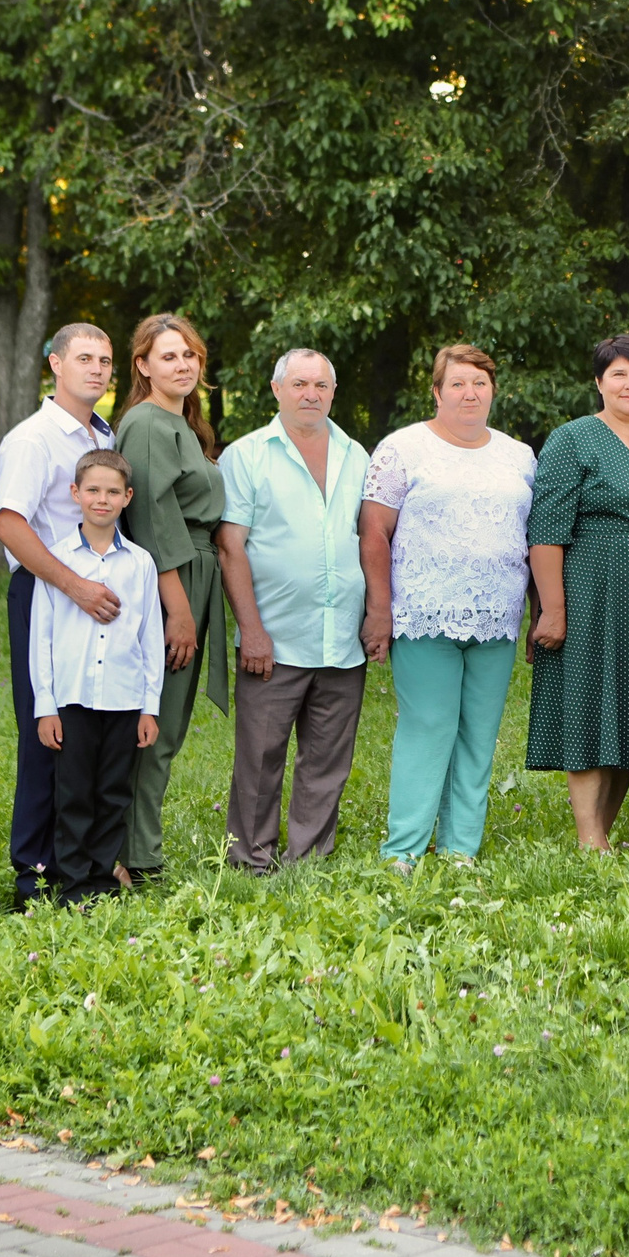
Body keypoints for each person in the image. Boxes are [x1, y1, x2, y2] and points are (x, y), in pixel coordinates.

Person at [361, 344, 536, 866]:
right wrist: (379, 610)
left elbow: (533, 537)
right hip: (423, 613)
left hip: (497, 618)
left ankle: (460, 848)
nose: (469, 393)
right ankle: (404, 852)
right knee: (429, 727)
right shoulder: (401, 449)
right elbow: (374, 534)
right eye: (457, 383)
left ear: (493, 392)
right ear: (436, 392)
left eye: (479, 383)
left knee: (478, 735)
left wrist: (542, 609)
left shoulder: (518, 456)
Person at [526, 336, 629, 849]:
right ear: (599, 383)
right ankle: (589, 839)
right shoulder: (573, 439)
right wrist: (552, 609)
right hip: (594, 587)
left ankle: (604, 834)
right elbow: (546, 530)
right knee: (592, 704)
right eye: (618, 374)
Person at [216, 350, 371, 869]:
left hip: (341, 637)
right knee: (260, 758)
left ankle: (309, 858)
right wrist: (251, 630)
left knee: (328, 759)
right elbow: (230, 546)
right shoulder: (247, 454)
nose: (311, 394)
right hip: (274, 637)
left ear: (333, 392)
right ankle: (252, 860)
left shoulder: (357, 454)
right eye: (300, 383)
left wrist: (375, 614)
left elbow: (368, 539)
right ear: (276, 389)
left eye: (321, 385)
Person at [0, 323, 120, 910]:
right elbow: (10, 524)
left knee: (89, 731)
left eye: (106, 360)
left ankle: (84, 861)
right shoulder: (34, 438)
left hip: (95, 599)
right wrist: (73, 586)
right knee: (45, 729)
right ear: (55, 365)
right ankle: (34, 874)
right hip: (47, 596)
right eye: (85, 358)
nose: (97, 369)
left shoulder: (102, 434)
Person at [116, 314, 228, 882]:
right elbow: (153, 521)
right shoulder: (145, 424)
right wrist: (178, 608)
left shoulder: (186, 425)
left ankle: (136, 849)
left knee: (170, 724)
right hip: (171, 581)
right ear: (142, 366)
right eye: (168, 356)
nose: (182, 365)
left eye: (189, 355)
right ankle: (134, 857)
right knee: (152, 725)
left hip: (198, 573)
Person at [30, 450, 164, 904]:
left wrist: (150, 706)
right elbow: (40, 638)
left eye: (112, 492)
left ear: (127, 497)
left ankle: (103, 881)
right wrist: (45, 705)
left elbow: (150, 636)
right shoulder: (57, 561)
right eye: (92, 490)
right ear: (75, 494)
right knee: (73, 795)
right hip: (73, 700)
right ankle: (73, 885)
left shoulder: (140, 564)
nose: (101, 499)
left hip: (125, 699)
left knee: (112, 793)